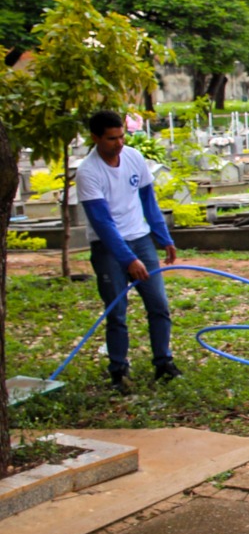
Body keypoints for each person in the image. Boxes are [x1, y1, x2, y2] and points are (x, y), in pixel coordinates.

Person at [77, 110, 181, 393]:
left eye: (122, 135)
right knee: (117, 311)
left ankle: (163, 363)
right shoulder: (88, 172)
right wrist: (128, 259)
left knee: (159, 305)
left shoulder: (134, 157)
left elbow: (149, 201)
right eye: (112, 138)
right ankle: (119, 371)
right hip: (108, 247)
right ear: (96, 138)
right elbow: (102, 223)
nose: (119, 143)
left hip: (141, 238)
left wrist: (163, 237)